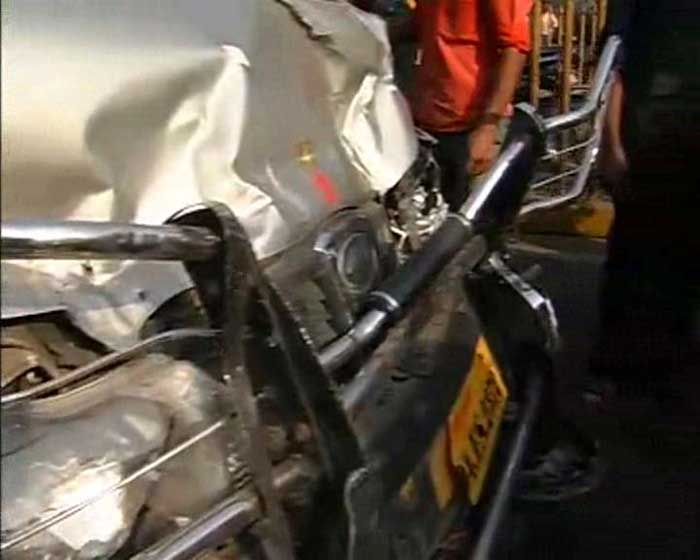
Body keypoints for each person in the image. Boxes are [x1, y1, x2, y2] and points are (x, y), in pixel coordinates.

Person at [588, 0, 700, 405]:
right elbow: (615, 68)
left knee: (684, 258)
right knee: (633, 257)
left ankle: (671, 364)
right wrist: (612, 144)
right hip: (646, 138)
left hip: (689, 147)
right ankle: (616, 368)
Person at [389, 0, 534, 212]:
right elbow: (421, 25)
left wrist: (488, 126)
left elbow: (515, 48)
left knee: (470, 228)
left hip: (472, 127)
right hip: (427, 124)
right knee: (424, 224)